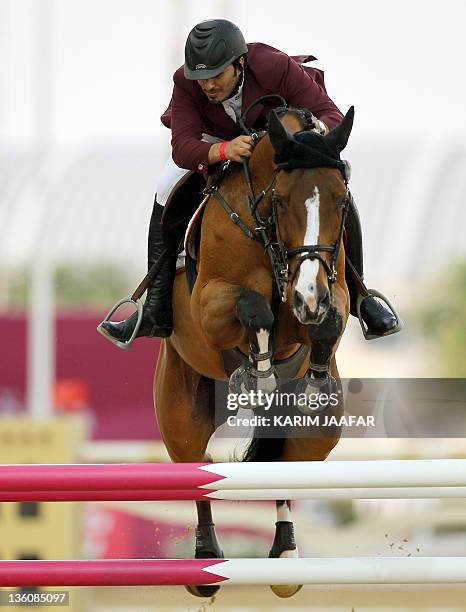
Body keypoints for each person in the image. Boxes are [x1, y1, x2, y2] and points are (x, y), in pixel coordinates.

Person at [101, 19, 400, 343]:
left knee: (335, 186)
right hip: (217, 142)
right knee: (165, 186)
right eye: (202, 78)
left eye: (217, 75)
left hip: (280, 144)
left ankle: (360, 296)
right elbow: (183, 146)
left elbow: (331, 114)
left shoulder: (274, 66)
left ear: (240, 64)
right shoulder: (185, 83)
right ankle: (156, 307)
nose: (209, 85)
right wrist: (224, 150)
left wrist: (313, 132)